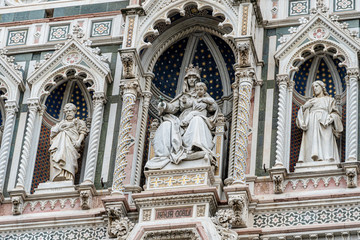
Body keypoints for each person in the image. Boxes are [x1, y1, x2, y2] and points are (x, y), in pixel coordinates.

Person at [145, 64, 219, 169]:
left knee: (196, 120)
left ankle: (195, 148)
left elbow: (213, 108)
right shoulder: (182, 96)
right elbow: (173, 108)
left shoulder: (204, 96)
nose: (192, 80)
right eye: (189, 78)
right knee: (166, 124)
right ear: (186, 80)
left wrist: (205, 102)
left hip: (197, 119)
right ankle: (163, 156)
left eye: (194, 78)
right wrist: (164, 105)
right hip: (181, 122)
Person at [296, 80, 343, 163]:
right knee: (311, 142)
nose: (315, 89)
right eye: (313, 87)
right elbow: (300, 119)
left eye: (317, 86)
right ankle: (310, 161)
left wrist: (331, 118)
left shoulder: (329, 100)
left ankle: (327, 159)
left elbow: (336, 114)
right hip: (311, 123)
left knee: (326, 141)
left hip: (325, 123)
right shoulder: (310, 101)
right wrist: (304, 108)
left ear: (322, 87)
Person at [49, 103, 89, 182]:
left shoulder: (78, 122)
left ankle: (69, 176)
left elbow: (83, 132)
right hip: (59, 144)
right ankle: (57, 174)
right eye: (66, 111)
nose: (68, 113)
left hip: (71, 145)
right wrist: (60, 128)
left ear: (74, 112)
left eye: (70, 111)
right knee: (57, 156)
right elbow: (53, 132)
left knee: (69, 158)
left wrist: (78, 141)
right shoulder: (60, 123)